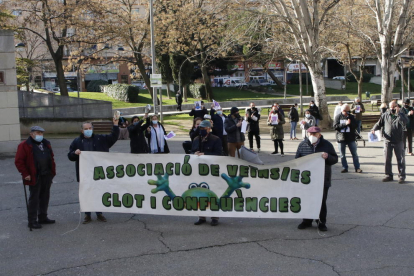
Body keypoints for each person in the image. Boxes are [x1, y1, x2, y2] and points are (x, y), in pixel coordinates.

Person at [68, 119, 119, 224]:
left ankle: (99, 213)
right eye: (86, 129)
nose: (88, 130)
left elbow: (114, 137)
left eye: (90, 128)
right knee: (86, 193)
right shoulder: (77, 141)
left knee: (98, 192)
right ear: (82, 131)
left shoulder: (100, 139)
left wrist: (115, 125)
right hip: (84, 172)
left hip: (98, 172)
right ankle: (87, 215)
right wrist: (74, 153)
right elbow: (70, 156)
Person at [296, 126, 338, 231]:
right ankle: (307, 221)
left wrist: (328, 157)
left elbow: (335, 159)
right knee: (307, 200)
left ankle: (321, 222)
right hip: (307, 179)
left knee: (321, 201)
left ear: (319, 134)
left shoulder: (327, 145)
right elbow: (297, 160)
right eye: (310, 134)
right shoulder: (302, 145)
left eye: (315, 134)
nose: (312, 136)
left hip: (322, 178)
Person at [15, 126, 56, 229]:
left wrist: (52, 172)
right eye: (38, 133)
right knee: (34, 198)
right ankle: (32, 220)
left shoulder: (46, 143)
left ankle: (43, 217)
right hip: (34, 175)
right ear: (31, 134)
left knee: (45, 197)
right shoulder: (24, 145)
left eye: (41, 133)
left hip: (46, 174)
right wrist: (25, 174)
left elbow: (51, 157)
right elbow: (19, 161)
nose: (40, 135)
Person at [191, 120, 223, 226]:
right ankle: (201, 216)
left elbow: (219, 154)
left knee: (213, 193)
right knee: (200, 193)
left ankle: (215, 217)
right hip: (199, 171)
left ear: (209, 129)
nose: (202, 130)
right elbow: (191, 152)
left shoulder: (216, 139)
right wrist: (194, 153)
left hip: (211, 170)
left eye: (204, 129)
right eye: (200, 128)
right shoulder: (196, 139)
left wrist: (206, 154)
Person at [371, 102, 408, 183]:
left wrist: (398, 114)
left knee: (400, 159)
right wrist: (374, 129)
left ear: (397, 107)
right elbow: (379, 123)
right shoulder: (385, 114)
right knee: (387, 158)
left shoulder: (401, 114)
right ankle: (388, 175)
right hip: (388, 140)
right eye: (391, 107)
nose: (392, 109)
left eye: (394, 107)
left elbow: (405, 122)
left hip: (398, 140)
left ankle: (401, 176)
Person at [334, 104, 362, 173]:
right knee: (342, 155)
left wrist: (350, 123)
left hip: (350, 137)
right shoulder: (338, 117)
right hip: (341, 138)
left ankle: (357, 167)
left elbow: (355, 126)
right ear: (343, 110)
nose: (347, 112)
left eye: (348, 111)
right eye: (346, 111)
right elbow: (335, 126)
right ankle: (345, 167)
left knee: (354, 154)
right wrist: (345, 124)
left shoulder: (351, 117)